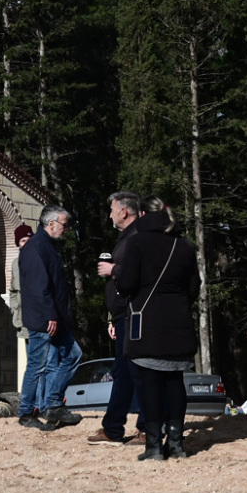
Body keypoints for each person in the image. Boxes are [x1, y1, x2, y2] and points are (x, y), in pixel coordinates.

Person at [115, 202, 201, 460]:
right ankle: (176, 444)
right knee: (175, 382)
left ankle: (154, 447)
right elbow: (194, 287)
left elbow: (128, 282)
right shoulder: (184, 245)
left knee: (150, 383)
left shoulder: (137, 242)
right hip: (179, 322)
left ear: (142, 214)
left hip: (147, 323)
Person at [88, 191, 147, 447]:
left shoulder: (137, 237)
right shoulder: (125, 239)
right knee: (122, 372)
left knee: (139, 371)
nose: (110, 214)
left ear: (124, 211)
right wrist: (113, 317)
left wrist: (114, 270)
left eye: (112, 209)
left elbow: (143, 274)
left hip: (135, 314)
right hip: (123, 316)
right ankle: (112, 429)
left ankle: (148, 428)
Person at [19, 205, 83, 430]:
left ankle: (53, 403)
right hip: (44, 319)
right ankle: (27, 412)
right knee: (37, 364)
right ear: (51, 223)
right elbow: (39, 287)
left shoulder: (49, 247)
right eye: (64, 225)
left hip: (56, 318)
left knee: (74, 354)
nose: (66, 229)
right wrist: (50, 316)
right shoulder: (36, 248)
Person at [8, 224, 45, 419]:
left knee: (44, 363)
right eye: (23, 241)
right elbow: (13, 292)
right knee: (33, 363)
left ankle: (41, 403)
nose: (26, 244)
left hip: (41, 319)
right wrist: (15, 310)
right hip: (24, 321)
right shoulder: (15, 264)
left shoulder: (41, 260)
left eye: (29, 240)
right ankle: (31, 406)